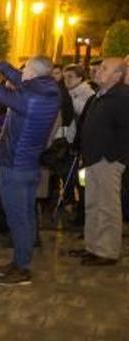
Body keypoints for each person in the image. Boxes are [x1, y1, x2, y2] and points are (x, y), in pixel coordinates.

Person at [0, 44, 61, 286]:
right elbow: (21, 80)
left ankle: (22, 268)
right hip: (30, 165)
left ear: (33, 73)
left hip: (15, 167)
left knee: (18, 219)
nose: (20, 72)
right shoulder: (50, 90)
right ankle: (20, 260)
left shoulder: (29, 96)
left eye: (25, 69)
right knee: (25, 215)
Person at [72, 58, 129, 265]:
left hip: (107, 160)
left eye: (104, 69)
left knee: (107, 206)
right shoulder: (102, 94)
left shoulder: (122, 96)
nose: (98, 71)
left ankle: (106, 251)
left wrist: (115, 156)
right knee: (92, 203)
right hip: (93, 159)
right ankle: (93, 246)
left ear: (117, 75)